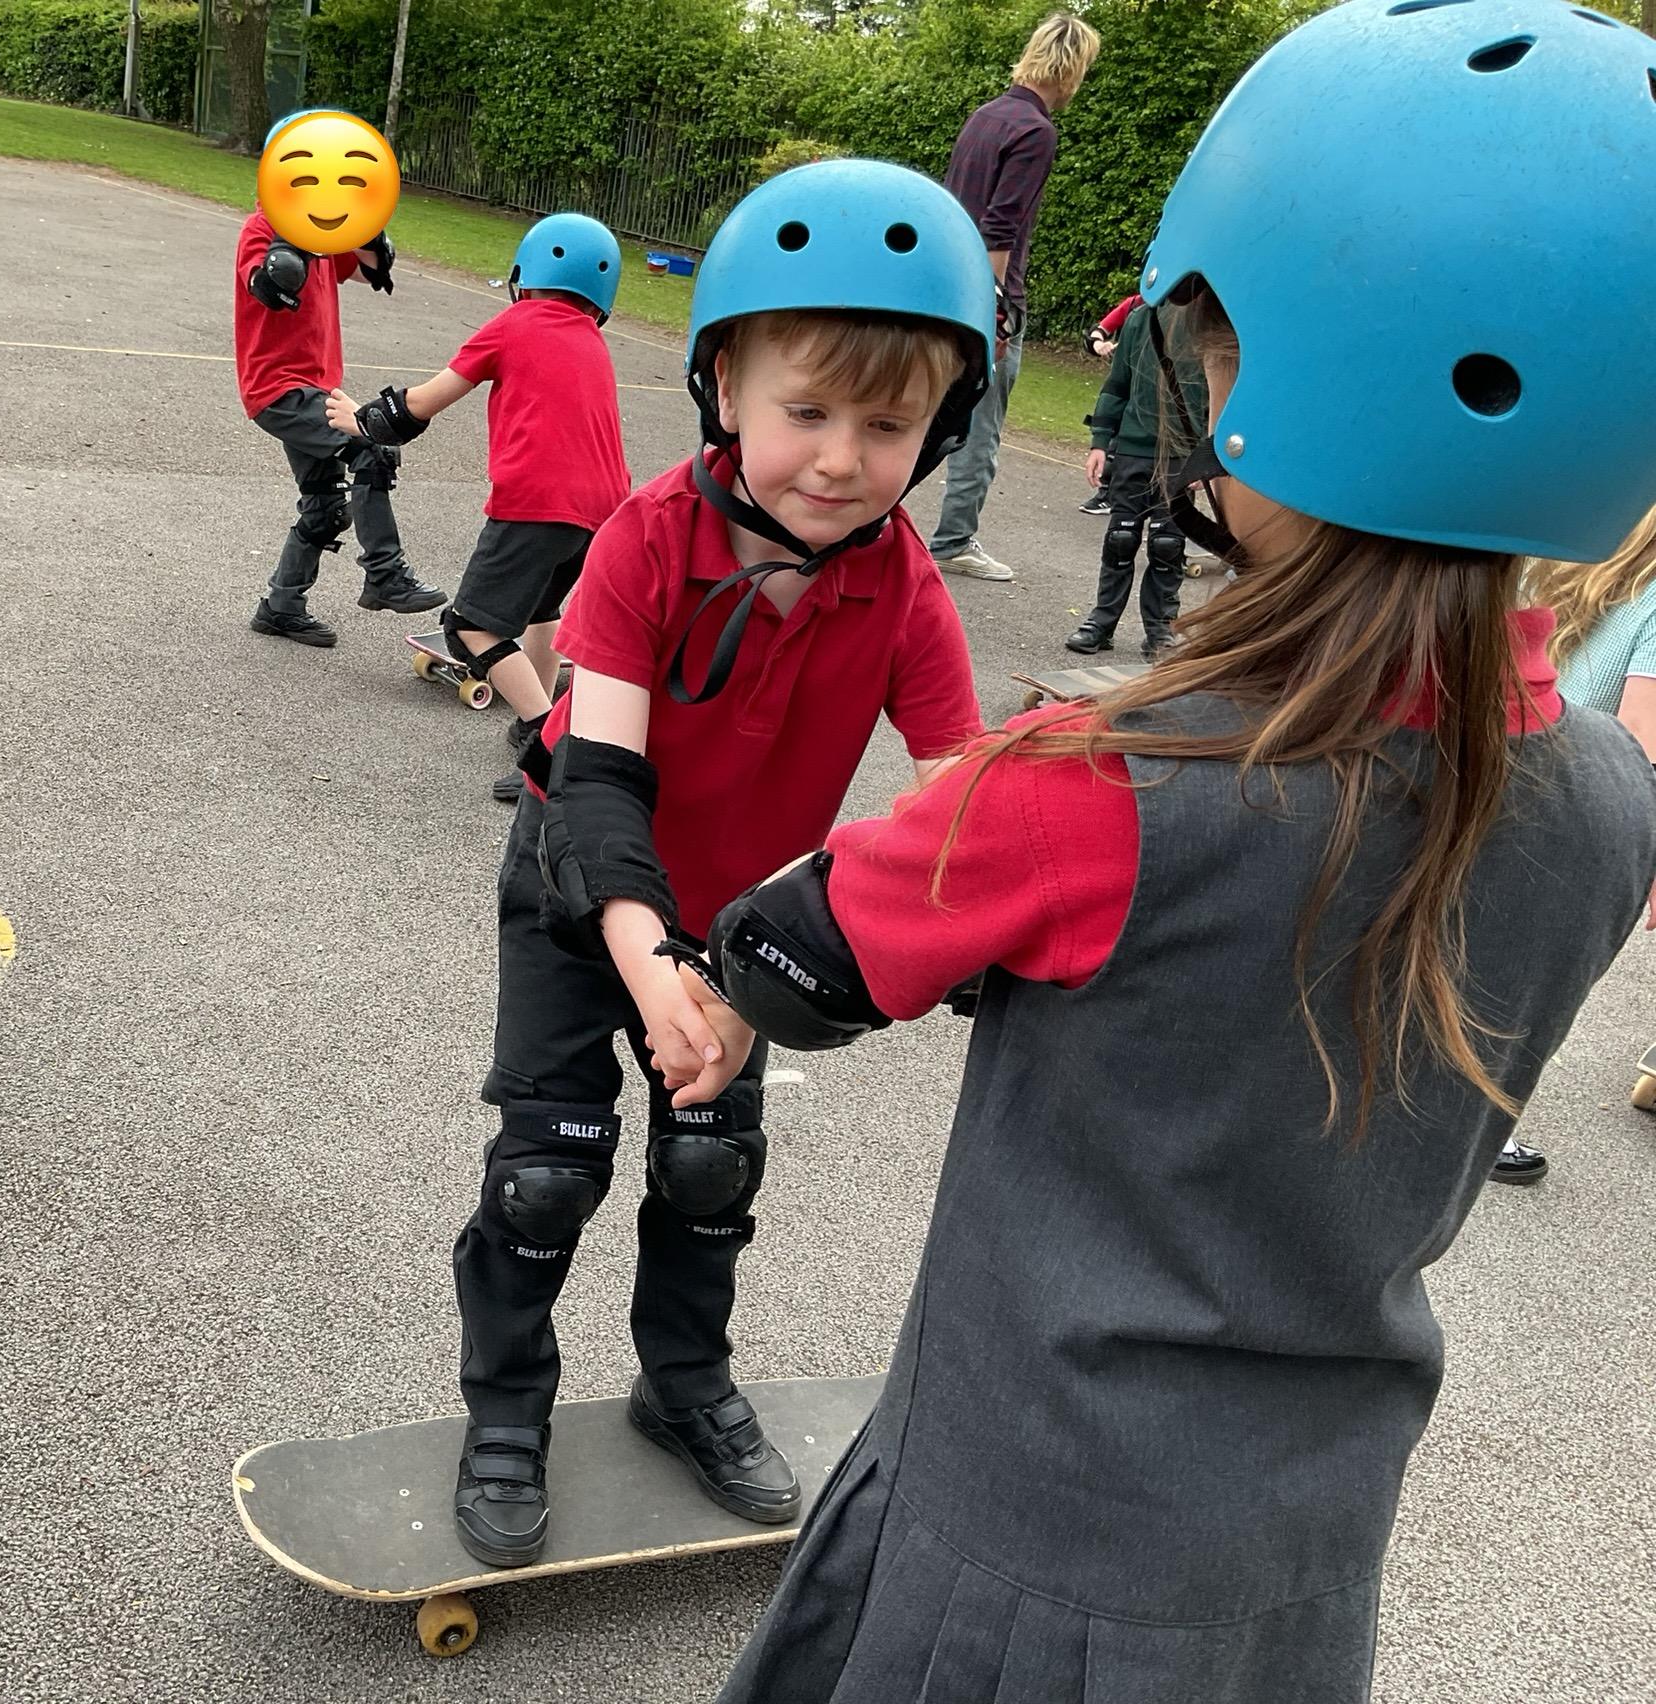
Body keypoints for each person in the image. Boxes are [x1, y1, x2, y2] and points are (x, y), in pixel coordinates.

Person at [672, 3, 1656, 1697]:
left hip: (1016, 1545)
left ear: (1272, 376)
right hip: (1290, 1568)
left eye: (1209, 351)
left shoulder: (1104, 781)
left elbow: (793, 959)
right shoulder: (1613, 798)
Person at [444, 159, 994, 1571]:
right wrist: (653, 966)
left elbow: (957, 805)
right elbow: (598, 783)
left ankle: (682, 1383)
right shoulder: (646, 540)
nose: (840, 459)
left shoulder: (903, 588)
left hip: (737, 930)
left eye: (887, 425)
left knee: (708, 1167)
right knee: (546, 1173)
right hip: (582, 893)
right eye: (806, 412)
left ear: (938, 431)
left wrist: (767, 982)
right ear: (724, 388)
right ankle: (506, 1408)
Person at [329, 214, 631, 802]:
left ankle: (551, 749)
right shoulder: (592, 341)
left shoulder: (515, 323)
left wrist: (361, 421)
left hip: (536, 502)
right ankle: (537, 719)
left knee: (468, 628)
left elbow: (421, 404)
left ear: (524, 276)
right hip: (603, 509)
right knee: (541, 609)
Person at [232, 112, 445, 649]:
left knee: (326, 505)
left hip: (315, 389)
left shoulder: (322, 236)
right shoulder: (263, 229)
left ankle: (281, 607)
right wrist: (287, 254)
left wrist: (369, 233)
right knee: (371, 446)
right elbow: (266, 281)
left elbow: (369, 264)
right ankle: (385, 574)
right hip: (279, 389)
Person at [925, 11, 1102, 582]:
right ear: (1072, 69)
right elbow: (1000, 227)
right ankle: (954, 540)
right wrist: (996, 309)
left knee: (927, 410)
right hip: (985, 294)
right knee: (980, 426)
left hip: (946, 288)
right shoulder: (1036, 131)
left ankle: (877, 516)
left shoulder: (986, 116)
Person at [1514, 502, 1656, 1175]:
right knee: (1515, 979)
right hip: (1566, 808)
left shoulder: (1580, 560)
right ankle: (1475, 1119)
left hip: (1508, 766)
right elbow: (1642, 744)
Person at [1066, 292, 1204, 657]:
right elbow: (1117, 384)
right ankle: (1101, 622)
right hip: (1132, 448)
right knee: (1120, 539)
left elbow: (1219, 397)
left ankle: (1161, 629)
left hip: (1180, 453)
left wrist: (1206, 458)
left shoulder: (1212, 324)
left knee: (1167, 545)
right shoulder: (1141, 319)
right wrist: (1100, 443)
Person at [1076, 291, 1142, 515]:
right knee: (1115, 436)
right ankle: (1108, 495)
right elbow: (1096, 332)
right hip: (1126, 383)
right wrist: (1099, 344)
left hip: (1161, 387)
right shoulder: (1134, 304)